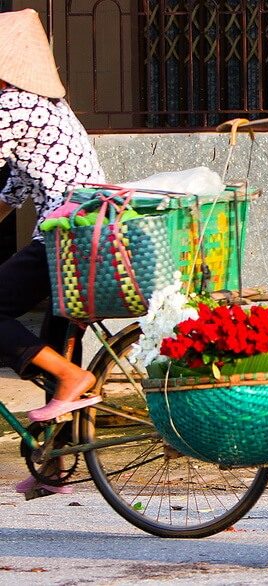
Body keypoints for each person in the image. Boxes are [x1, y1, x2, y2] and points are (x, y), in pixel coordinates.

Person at [0, 9, 106, 493]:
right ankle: (55, 464)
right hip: (87, 239)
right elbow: (10, 194)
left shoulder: (13, 108)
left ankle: (70, 379)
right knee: (52, 339)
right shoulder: (45, 109)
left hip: (66, 239)